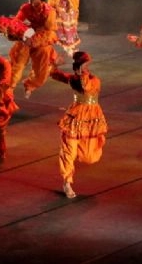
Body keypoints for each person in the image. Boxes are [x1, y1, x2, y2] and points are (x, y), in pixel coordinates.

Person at [50, 51, 108, 198]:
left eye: (87, 65)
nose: (87, 68)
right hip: (74, 118)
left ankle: (75, 155)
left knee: (90, 157)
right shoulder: (74, 79)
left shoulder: (94, 80)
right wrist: (54, 64)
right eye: (84, 65)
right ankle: (67, 182)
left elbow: (86, 87)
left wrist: (81, 72)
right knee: (68, 151)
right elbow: (54, 74)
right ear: (78, 66)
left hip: (91, 120)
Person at [9, 0, 59, 99]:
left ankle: (30, 85)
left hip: (42, 39)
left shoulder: (49, 11)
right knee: (17, 63)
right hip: (28, 35)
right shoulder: (25, 8)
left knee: (41, 72)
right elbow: (17, 21)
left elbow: (49, 30)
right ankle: (9, 88)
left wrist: (35, 38)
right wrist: (11, 28)